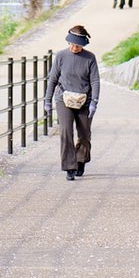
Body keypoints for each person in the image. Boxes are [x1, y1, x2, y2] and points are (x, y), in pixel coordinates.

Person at [44, 25, 101, 180]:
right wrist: (47, 101)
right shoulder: (61, 56)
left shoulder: (90, 58)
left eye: (77, 45)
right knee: (66, 131)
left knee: (84, 134)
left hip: (84, 99)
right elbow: (53, 79)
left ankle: (80, 159)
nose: (74, 48)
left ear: (83, 44)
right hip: (63, 98)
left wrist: (94, 102)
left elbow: (95, 80)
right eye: (72, 44)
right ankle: (70, 166)